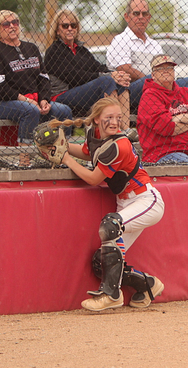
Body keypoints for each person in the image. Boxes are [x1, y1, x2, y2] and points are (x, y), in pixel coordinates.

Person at [53, 97, 165, 312]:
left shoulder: (119, 145)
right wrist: (62, 147)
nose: (115, 122)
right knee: (101, 262)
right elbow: (87, 153)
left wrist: (66, 159)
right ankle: (148, 285)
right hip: (125, 203)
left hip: (145, 199)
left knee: (111, 225)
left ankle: (111, 295)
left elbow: (93, 178)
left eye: (118, 118)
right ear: (96, 119)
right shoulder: (95, 135)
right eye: (109, 118)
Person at [106, 0, 188, 139]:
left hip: (160, 86)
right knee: (152, 78)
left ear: (149, 17)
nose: (141, 17)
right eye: (136, 13)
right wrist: (154, 79)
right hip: (131, 91)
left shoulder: (154, 45)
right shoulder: (120, 40)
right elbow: (124, 68)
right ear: (127, 16)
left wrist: (162, 80)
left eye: (144, 14)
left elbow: (164, 68)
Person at [0, 10, 73, 152]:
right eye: (6, 24)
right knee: (30, 110)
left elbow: (43, 79)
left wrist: (44, 100)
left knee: (64, 110)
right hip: (1, 102)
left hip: (34, 100)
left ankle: (62, 154)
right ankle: (25, 157)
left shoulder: (31, 48)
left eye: (15, 22)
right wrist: (25, 99)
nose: (12, 26)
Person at [44, 9, 132, 127]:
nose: (70, 28)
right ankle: (114, 129)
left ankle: (125, 130)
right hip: (62, 96)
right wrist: (109, 76)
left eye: (73, 25)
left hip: (82, 92)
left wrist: (116, 74)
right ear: (57, 30)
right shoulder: (54, 51)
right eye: (65, 26)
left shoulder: (81, 50)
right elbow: (73, 77)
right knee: (106, 81)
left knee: (121, 83)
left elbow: (97, 67)